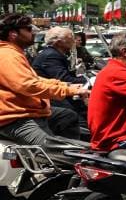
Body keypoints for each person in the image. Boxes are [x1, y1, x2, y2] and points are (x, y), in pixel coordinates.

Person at [0, 13, 89, 144]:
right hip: (15, 119)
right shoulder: (8, 55)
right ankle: (69, 161)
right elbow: (28, 85)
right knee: (55, 150)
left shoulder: (14, 52)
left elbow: (35, 79)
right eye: (28, 29)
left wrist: (68, 86)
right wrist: (68, 91)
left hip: (29, 112)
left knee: (67, 116)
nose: (33, 33)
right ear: (13, 34)